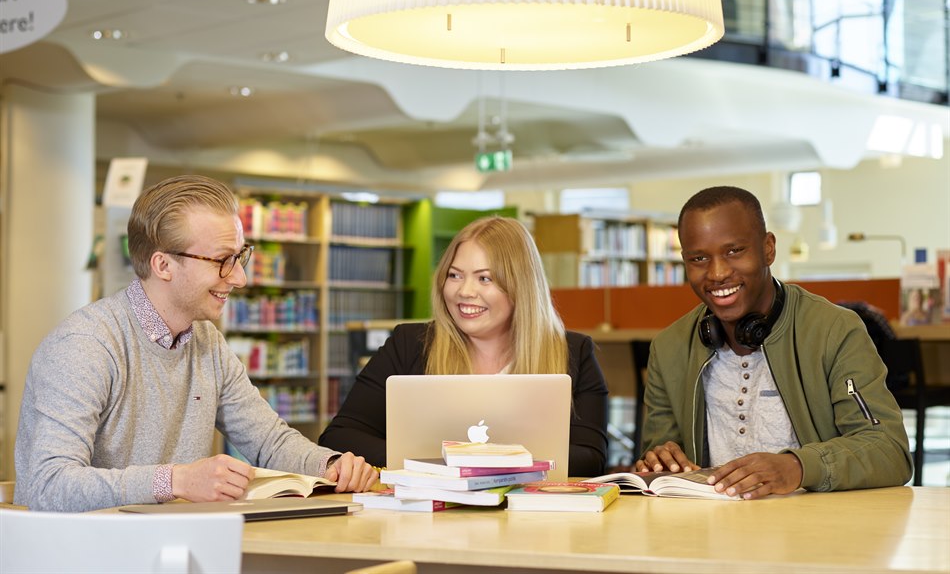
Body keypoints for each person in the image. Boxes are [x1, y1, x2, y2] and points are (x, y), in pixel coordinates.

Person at [15, 175, 377, 512]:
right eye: (222, 260)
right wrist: (177, 481)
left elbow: (269, 441)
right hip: (90, 549)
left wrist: (330, 466)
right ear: (163, 266)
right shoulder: (84, 346)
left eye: (240, 256)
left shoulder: (207, 343)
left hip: (172, 542)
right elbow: (48, 485)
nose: (240, 278)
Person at [636, 186, 911, 499]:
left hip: (815, 521)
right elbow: (659, 455)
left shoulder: (834, 330)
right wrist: (660, 461)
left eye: (734, 251)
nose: (717, 273)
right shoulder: (668, 348)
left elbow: (889, 450)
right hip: (710, 521)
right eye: (698, 258)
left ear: (768, 249)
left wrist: (797, 467)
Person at [319, 216, 609, 476]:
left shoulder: (573, 352)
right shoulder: (409, 344)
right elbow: (340, 435)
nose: (464, 291)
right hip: (428, 512)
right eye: (454, 275)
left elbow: (590, 458)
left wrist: (477, 462)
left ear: (521, 286)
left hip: (530, 511)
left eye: (485, 278)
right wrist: (440, 465)